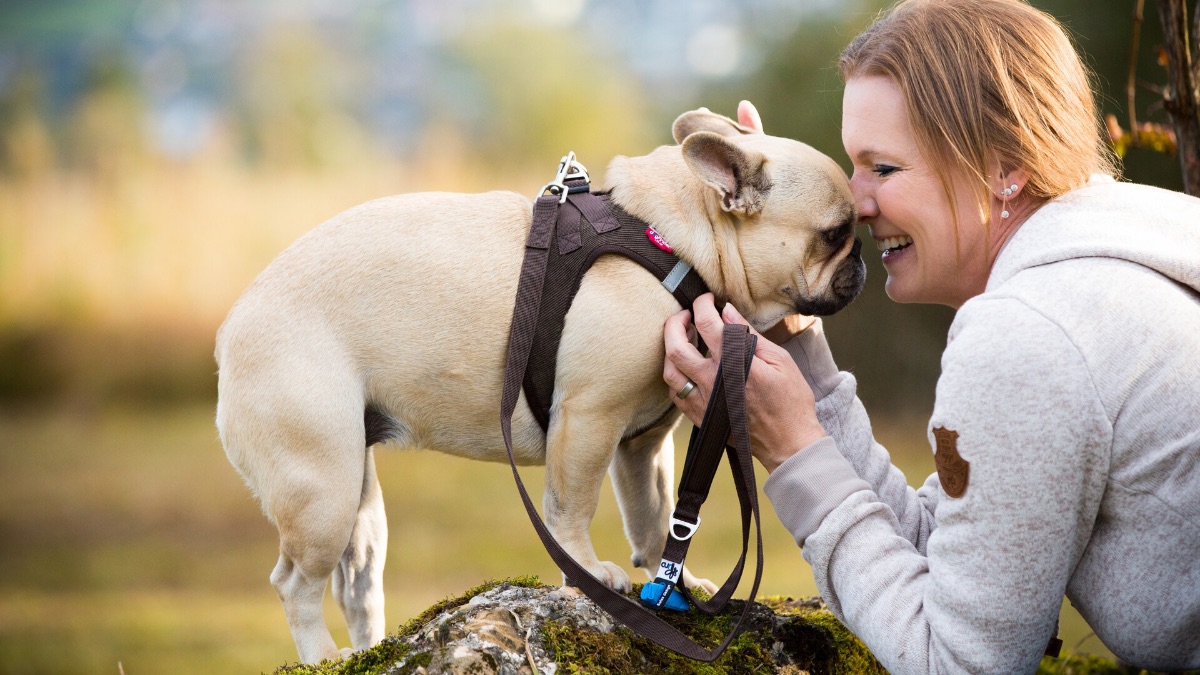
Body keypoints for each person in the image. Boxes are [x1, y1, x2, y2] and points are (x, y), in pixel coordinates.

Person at [662, 0, 1200, 672]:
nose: (856, 203)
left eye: (882, 168)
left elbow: (960, 661)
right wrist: (806, 371)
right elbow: (946, 554)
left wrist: (797, 452)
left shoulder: (1030, 335)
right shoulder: (1134, 238)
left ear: (1006, 166)